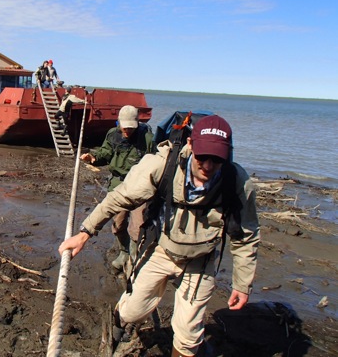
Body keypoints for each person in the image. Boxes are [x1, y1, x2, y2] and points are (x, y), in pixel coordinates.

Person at [59, 115, 260, 357]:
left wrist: (242, 284)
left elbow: (245, 236)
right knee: (132, 310)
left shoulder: (236, 182)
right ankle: (118, 326)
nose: (208, 166)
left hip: (200, 260)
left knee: (188, 334)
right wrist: (85, 232)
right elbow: (119, 197)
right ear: (190, 144)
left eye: (217, 159)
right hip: (162, 249)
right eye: (202, 157)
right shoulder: (162, 165)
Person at [80, 105, 155, 272]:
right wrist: (93, 158)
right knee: (118, 224)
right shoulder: (112, 134)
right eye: (124, 127)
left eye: (130, 127)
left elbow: (155, 164)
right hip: (118, 185)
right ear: (119, 123)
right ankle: (124, 252)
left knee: (137, 225)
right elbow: (105, 153)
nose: (127, 131)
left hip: (139, 188)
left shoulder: (148, 138)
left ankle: (134, 260)